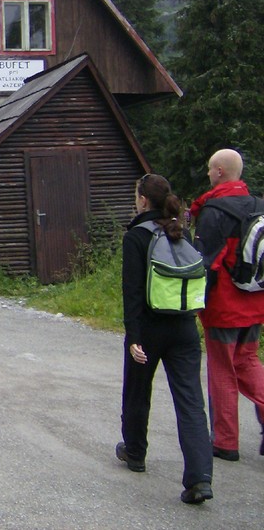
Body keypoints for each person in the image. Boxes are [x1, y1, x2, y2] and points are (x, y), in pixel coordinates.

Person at [117, 172, 213, 504]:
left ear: (143, 200)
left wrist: (133, 337)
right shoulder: (182, 232)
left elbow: (132, 292)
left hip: (149, 329)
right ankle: (200, 478)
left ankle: (135, 452)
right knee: (191, 402)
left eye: (136, 196)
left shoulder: (137, 236)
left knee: (137, 391)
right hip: (184, 327)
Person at [191, 148, 264, 462]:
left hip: (224, 306)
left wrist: (195, 304)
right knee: (247, 361)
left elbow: (206, 264)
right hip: (256, 300)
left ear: (219, 172)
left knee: (222, 369)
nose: (208, 174)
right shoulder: (258, 205)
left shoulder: (214, 210)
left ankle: (225, 441)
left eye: (210, 169)